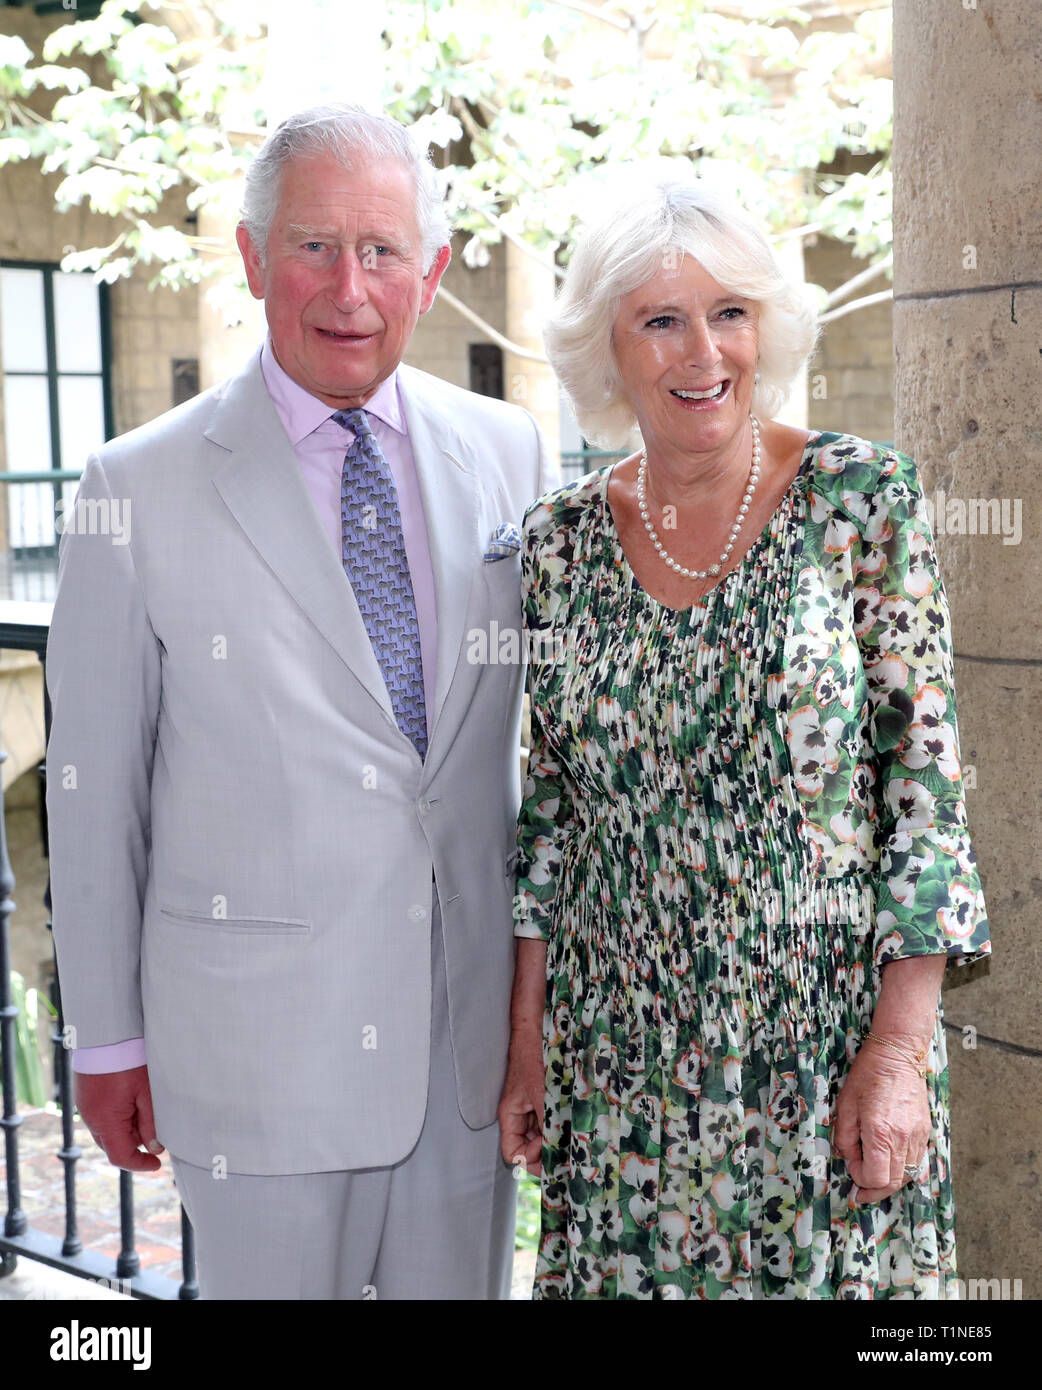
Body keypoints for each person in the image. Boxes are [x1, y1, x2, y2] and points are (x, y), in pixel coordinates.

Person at [45, 103, 555, 1300]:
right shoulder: (137, 484)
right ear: (250, 258)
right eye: (314, 247)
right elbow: (93, 788)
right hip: (254, 1055)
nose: (349, 288)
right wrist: (107, 1038)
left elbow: (543, 751)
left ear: (429, 272)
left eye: (381, 251)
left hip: (463, 1049)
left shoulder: (511, 452)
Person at [498, 171, 990, 1300]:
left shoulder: (862, 500)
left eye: (729, 312)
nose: (701, 353)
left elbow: (924, 794)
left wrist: (898, 1056)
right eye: (660, 320)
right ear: (606, 352)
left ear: (766, 328)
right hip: (617, 1062)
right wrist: (526, 1035)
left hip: (822, 1053)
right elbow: (554, 814)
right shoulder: (560, 546)